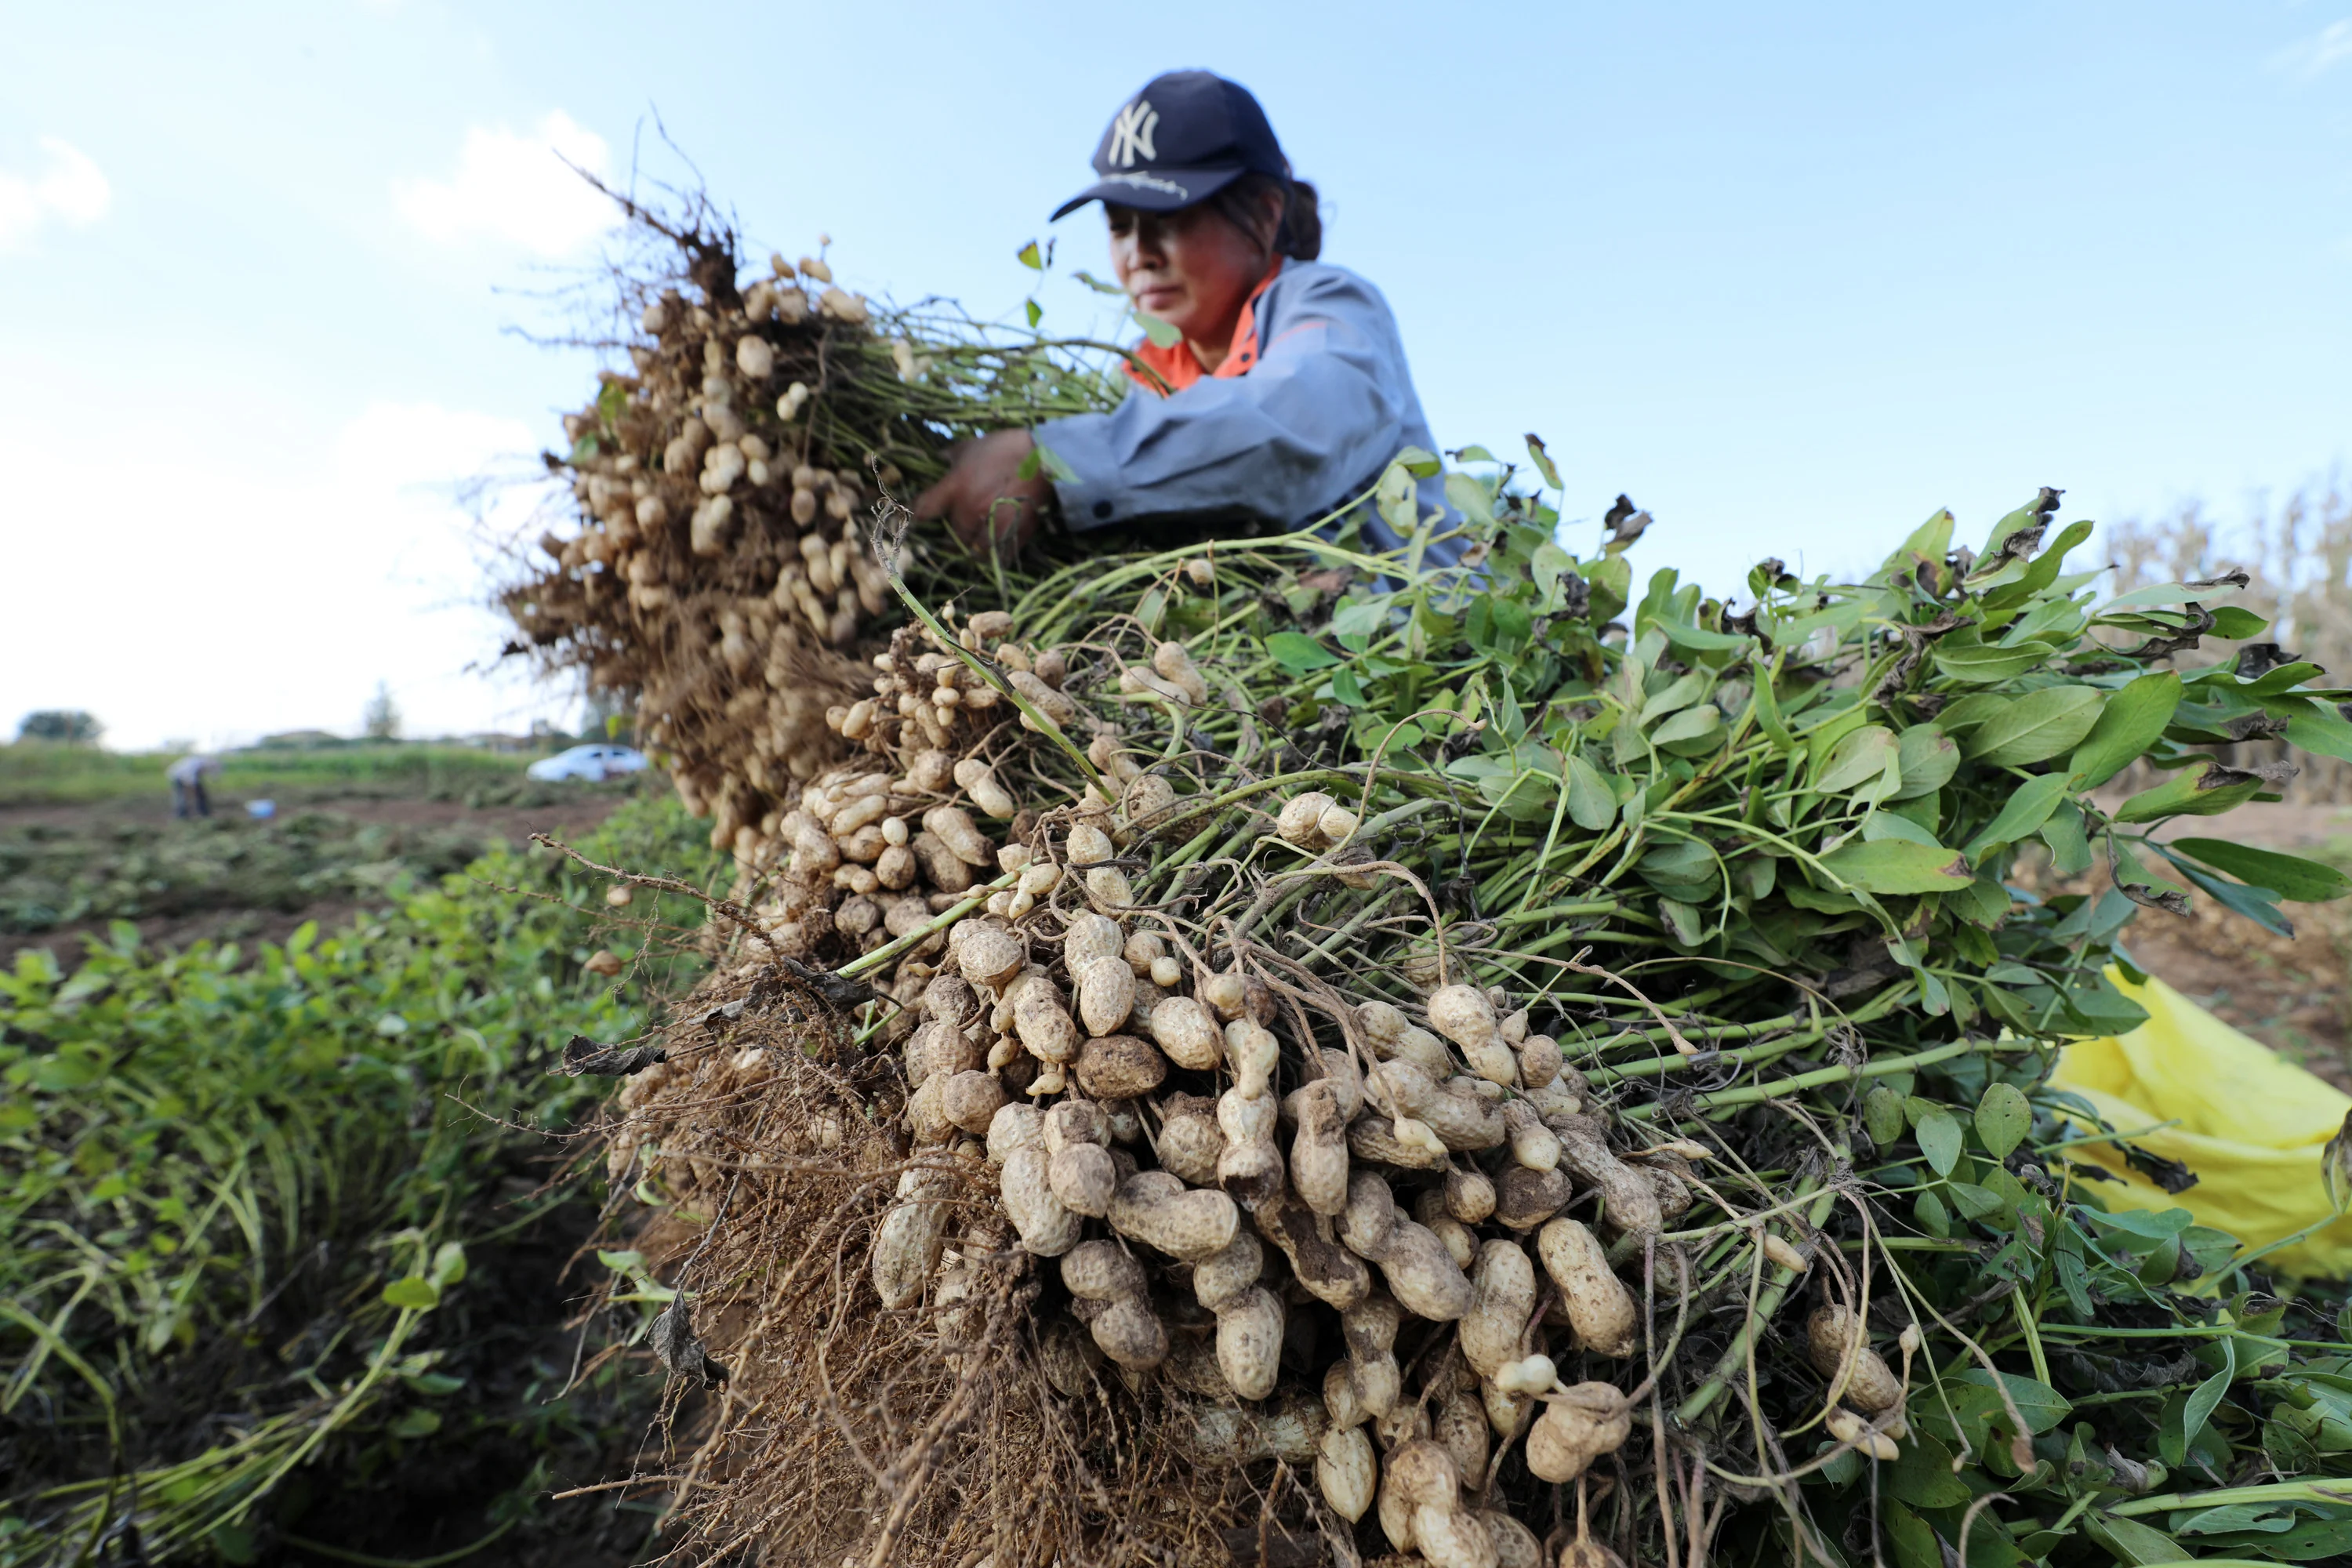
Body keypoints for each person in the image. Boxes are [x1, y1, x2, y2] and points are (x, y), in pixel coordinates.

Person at [916, 70, 1460, 566]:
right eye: (1120, 226)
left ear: (1266, 214)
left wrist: (1052, 458)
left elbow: (1296, 428)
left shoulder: (1329, 305)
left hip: (1420, 657)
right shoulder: (1138, 379)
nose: (1140, 254)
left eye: (1167, 219)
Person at [167, 753, 219, 818]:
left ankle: (205, 813)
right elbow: (190, 782)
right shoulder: (194, 766)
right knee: (182, 797)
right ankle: (182, 816)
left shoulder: (202, 764)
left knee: (201, 794)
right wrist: (192, 792)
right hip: (178, 777)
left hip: (189, 776)